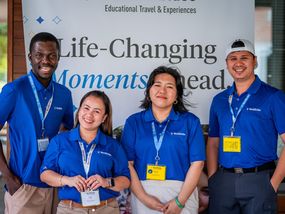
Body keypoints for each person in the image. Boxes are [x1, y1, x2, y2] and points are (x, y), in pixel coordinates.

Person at [207, 39, 285, 214]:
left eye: (244, 57)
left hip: (260, 180)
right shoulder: (219, 100)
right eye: (233, 58)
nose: (238, 63)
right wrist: (213, 178)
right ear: (227, 64)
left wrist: (273, 184)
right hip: (223, 182)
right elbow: (213, 142)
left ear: (255, 61)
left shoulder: (274, 97)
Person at [0, 32, 74, 214]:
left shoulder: (64, 94)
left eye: (51, 55)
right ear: (30, 57)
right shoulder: (14, 90)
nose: (45, 61)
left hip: (55, 184)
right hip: (23, 186)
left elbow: (67, 130)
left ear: (58, 58)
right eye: (39, 55)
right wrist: (8, 178)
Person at [121, 66, 205, 214]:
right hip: (143, 194)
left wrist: (179, 202)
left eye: (170, 86)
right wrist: (145, 198)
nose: (162, 91)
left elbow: (197, 164)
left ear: (177, 95)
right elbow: (128, 165)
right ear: (148, 92)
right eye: (157, 85)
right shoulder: (133, 122)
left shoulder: (190, 122)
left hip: (182, 194)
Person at [40, 90, 130, 214]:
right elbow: (45, 174)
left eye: (96, 111)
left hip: (106, 209)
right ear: (79, 111)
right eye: (86, 108)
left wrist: (106, 182)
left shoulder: (113, 146)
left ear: (104, 118)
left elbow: (125, 180)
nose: (89, 114)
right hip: (69, 209)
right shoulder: (59, 141)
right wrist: (67, 180)